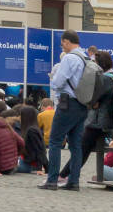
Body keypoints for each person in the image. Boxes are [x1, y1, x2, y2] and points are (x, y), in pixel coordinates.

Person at [39, 28, 90, 192]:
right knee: (76, 145)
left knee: (55, 141)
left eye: (62, 43)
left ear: (67, 42)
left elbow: (59, 82)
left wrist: (52, 79)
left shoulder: (69, 58)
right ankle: (73, 181)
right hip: (82, 104)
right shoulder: (85, 57)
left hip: (67, 103)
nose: (62, 46)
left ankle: (52, 180)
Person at [60, 51, 113, 183]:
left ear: (99, 64)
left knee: (81, 147)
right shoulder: (112, 76)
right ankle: (66, 174)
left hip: (99, 122)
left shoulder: (105, 78)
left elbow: (91, 99)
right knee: (84, 147)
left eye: (94, 63)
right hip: (102, 120)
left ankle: (64, 175)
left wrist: (90, 102)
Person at [16, 105, 49, 174]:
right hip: (27, 161)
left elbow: (39, 150)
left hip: (29, 164)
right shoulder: (33, 128)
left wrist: (40, 168)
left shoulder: (31, 131)